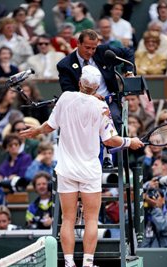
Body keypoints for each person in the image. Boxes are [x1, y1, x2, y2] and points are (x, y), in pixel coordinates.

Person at [19, 65, 143, 267]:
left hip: (66, 170)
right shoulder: (101, 107)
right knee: (91, 219)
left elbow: (49, 125)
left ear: (79, 83)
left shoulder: (65, 98)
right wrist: (130, 141)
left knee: (67, 219)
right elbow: (110, 140)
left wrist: (36, 131)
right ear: (96, 87)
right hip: (89, 171)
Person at [57, 29, 135, 168]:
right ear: (78, 44)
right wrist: (89, 95)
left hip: (107, 101)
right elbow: (67, 90)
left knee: (115, 118)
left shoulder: (103, 52)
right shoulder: (65, 64)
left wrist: (129, 71)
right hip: (81, 104)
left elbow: (127, 53)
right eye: (87, 48)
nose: (91, 51)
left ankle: (107, 155)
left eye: (93, 48)